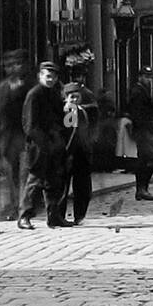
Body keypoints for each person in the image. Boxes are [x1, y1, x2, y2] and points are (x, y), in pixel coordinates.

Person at [18, 63, 69, 230]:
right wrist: (44, 144)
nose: (51, 79)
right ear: (40, 76)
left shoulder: (54, 94)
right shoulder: (34, 95)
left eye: (53, 77)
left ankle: (53, 216)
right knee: (34, 181)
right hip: (39, 146)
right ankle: (24, 216)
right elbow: (30, 125)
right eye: (47, 76)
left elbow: (60, 118)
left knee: (53, 182)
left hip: (53, 144)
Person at [0, 51, 30, 220]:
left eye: (17, 64)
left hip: (26, 134)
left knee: (25, 172)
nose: (13, 68)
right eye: (8, 66)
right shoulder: (0, 89)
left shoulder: (30, 87)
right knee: (12, 174)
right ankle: (15, 206)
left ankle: (25, 207)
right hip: (8, 136)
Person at [59, 65, 98, 226]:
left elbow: (91, 127)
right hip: (66, 152)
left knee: (82, 185)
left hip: (81, 152)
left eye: (76, 97)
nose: (73, 100)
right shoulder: (66, 112)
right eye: (71, 98)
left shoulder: (83, 108)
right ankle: (59, 214)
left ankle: (79, 215)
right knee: (62, 185)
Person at [127, 67, 153, 201]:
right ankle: (142, 188)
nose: (149, 80)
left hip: (147, 130)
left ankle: (142, 189)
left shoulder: (143, 91)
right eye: (146, 77)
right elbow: (137, 112)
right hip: (143, 130)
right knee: (152, 159)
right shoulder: (137, 92)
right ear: (140, 77)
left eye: (150, 77)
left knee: (144, 160)